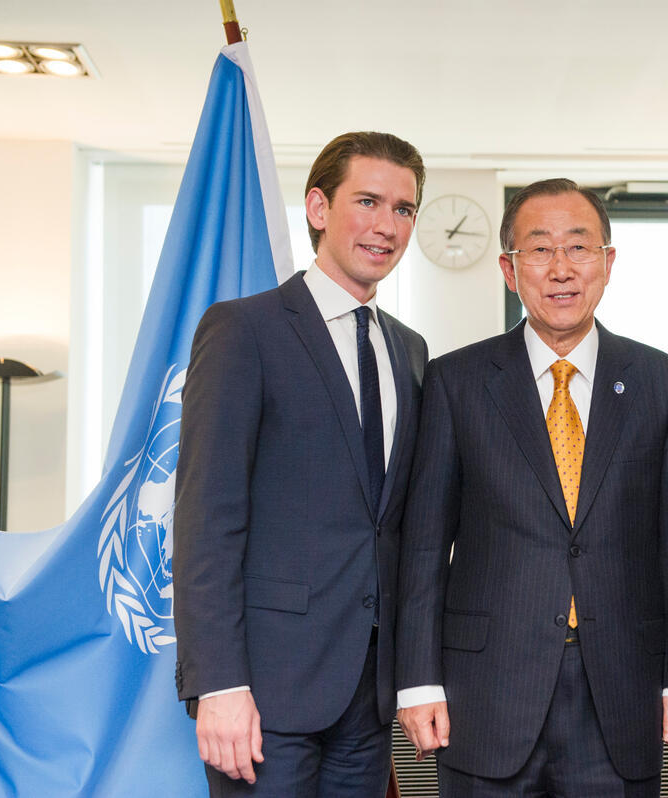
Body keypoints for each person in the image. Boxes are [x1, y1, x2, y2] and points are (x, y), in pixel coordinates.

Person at [395, 178, 668, 796]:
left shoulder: (663, 382)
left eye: (579, 247)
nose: (561, 268)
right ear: (509, 270)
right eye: (539, 249)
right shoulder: (456, 382)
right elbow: (425, 545)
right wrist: (418, 680)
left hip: (623, 690)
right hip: (485, 692)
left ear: (608, 263)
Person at [173, 131, 428, 796]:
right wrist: (218, 683)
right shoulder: (244, 329)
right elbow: (205, 519)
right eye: (367, 201)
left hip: (368, 696)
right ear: (318, 207)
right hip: (264, 692)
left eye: (403, 209)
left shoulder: (410, 350)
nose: (386, 225)